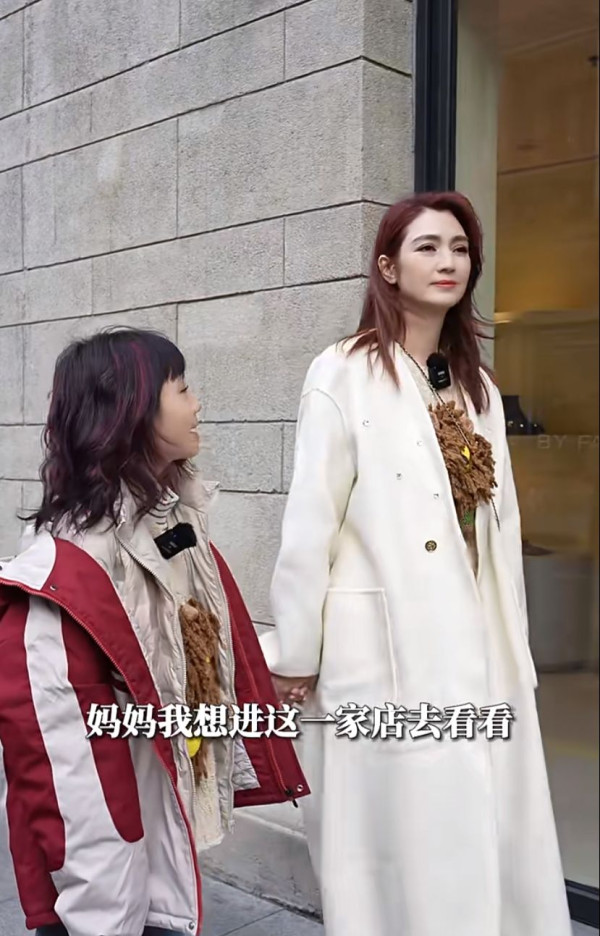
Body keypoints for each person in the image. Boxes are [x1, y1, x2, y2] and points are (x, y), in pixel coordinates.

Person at [262, 192, 572, 936]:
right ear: (388, 267)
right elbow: (310, 522)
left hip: (479, 638)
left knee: (482, 825)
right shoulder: (343, 371)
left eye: (460, 248)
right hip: (387, 644)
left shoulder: (477, 387)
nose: (447, 261)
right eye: (427, 246)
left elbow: (500, 525)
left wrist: (515, 640)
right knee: (401, 839)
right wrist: (296, 652)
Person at [0, 328, 308, 936]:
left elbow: (192, 651)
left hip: (157, 845)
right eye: (182, 388)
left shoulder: (173, 524)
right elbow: (74, 787)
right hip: (108, 894)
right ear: (130, 410)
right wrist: (106, 918)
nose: (198, 403)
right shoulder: (65, 579)